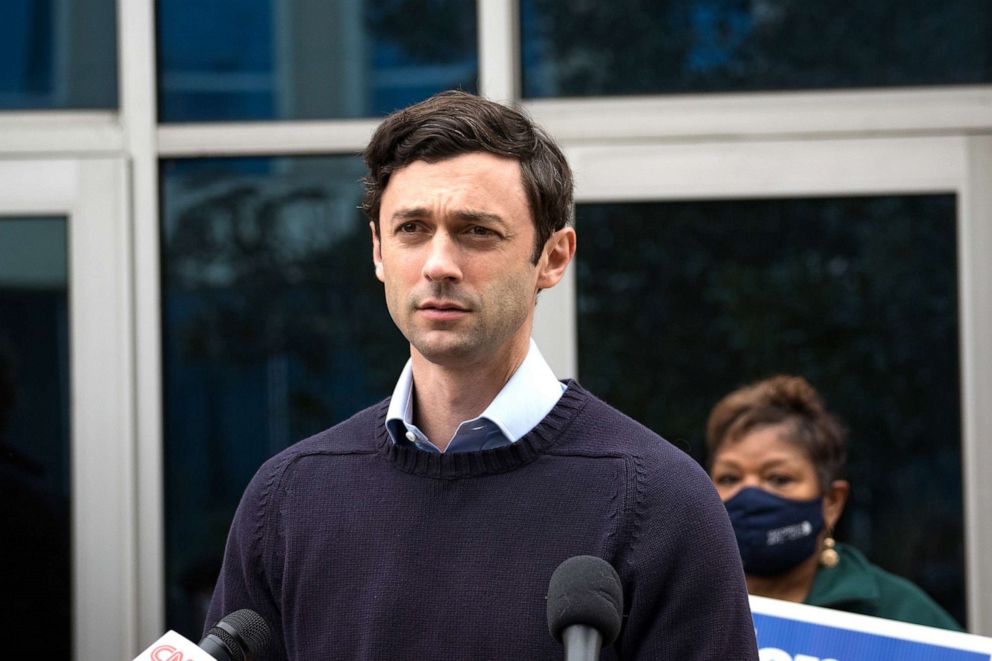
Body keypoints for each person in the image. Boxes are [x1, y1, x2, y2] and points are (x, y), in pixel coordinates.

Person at [206, 90, 759, 659]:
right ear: (377, 250)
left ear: (553, 258)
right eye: (412, 228)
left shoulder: (660, 501)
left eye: (477, 231)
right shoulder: (290, 497)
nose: (439, 264)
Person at [706, 374, 961, 630]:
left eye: (778, 479)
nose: (749, 495)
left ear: (832, 502)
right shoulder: (680, 596)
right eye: (729, 478)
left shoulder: (898, 615)